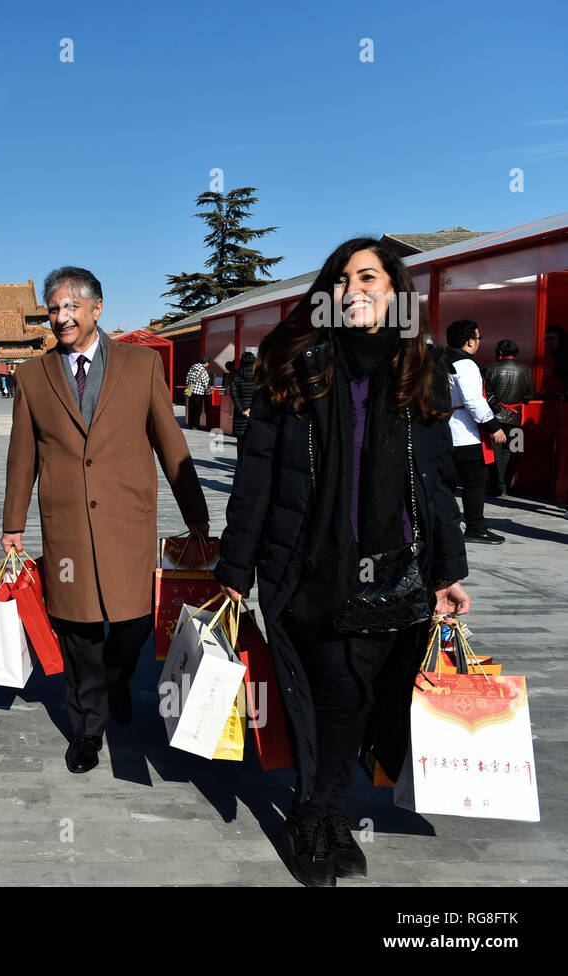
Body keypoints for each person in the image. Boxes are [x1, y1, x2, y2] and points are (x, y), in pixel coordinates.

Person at [215, 238, 470, 887]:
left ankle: (328, 812)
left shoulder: (420, 367)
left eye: (370, 277)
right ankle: (312, 816)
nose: (357, 288)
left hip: (391, 569)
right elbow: (257, 470)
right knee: (328, 695)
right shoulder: (294, 360)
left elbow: (437, 480)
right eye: (344, 278)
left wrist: (449, 570)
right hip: (306, 564)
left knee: (358, 702)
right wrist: (235, 567)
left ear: (395, 291)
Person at [2, 266, 209, 775]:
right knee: (78, 631)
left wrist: (196, 515)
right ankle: (86, 728)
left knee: (134, 621)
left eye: (72, 307)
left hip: (127, 521)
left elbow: (170, 442)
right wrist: (13, 524)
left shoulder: (140, 366)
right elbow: (21, 455)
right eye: (54, 309)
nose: (62, 317)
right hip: (67, 522)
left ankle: (118, 678)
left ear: (97, 309)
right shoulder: (33, 376)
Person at [444, 319, 506, 544]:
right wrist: (494, 427)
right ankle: (475, 527)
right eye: (478, 339)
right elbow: (473, 401)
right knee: (475, 482)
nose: (479, 343)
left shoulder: (442, 360)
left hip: (445, 429)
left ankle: (441, 524)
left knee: (445, 484)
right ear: (470, 341)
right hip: (466, 433)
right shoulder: (466, 364)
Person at [483, 339, 533, 496]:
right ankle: (505, 485)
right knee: (510, 451)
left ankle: (497, 485)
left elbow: (484, 392)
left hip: (494, 415)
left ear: (499, 353)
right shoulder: (527, 370)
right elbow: (528, 396)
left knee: (495, 450)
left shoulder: (489, 368)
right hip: (516, 417)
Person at [229, 351, 257, 454]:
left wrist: (242, 410)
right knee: (253, 441)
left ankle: (240, 465)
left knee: (240, 442)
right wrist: (253, 409)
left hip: (240, 414)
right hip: (254, 413)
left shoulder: (236, 377)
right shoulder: (258, 377)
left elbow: (234, 396)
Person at [185, 356, 211, 430]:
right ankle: (195, 425)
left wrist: (188, 386)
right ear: (206, 363)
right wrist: (206, 387)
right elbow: (205, 382)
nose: (208, 365)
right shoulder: (203, 370)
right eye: (208, 363)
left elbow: (187, 377)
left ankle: (190, 424)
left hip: (191, 391)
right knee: (197, 409)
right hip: (199, 392)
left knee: (191, 408)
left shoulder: (193, 367)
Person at [541, 324, 568, 397]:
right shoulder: (550, 356)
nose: (548, 342)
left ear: (561, 339)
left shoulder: (564, 357)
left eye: (551, 339)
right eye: (546, 340)